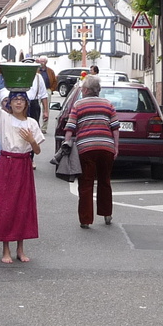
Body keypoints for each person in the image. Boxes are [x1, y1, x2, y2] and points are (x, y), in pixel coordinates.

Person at [0, 78, 44, 263]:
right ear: (9, 102)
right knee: (5, 207)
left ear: (26, 103)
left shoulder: (31, 123)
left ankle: (20, 249)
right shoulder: (3, 117)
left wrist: (31, 140)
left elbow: (37, 150)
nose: (18, 102)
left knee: (22, 207)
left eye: (21, 100)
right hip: (6, 164)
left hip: (23, 165)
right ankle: (5, 249)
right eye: (14, 99)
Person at [62, 75, 120, 228]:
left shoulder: (78, 105)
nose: (81, 90)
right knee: (105, 181)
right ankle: (107, 214)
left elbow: (70, 127)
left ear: (86, 90)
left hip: (86, 149)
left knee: (86, 184)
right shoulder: (108, 104)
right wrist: (116, 147)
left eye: (82, 88)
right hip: (106, 148)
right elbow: (115, 128)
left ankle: (86, 220)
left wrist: (66, 144)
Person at [22, 58, 48, 128]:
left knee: (34, 127)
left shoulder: (38, 77)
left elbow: (44, 95)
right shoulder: (20, 76)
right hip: (22, 103)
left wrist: (45, 111)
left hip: (34, 104)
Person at [37, 57, 57, 133]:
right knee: (37, 108)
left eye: (43, 61)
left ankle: (44, 128)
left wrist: (51, 89)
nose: (41, 63)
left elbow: (55, 81)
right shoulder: (37, 70)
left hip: (47, 90)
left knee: (46, 109)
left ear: (46, 62)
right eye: (40, 61)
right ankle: (36, 125)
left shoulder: (50, 71)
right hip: (38, 91)